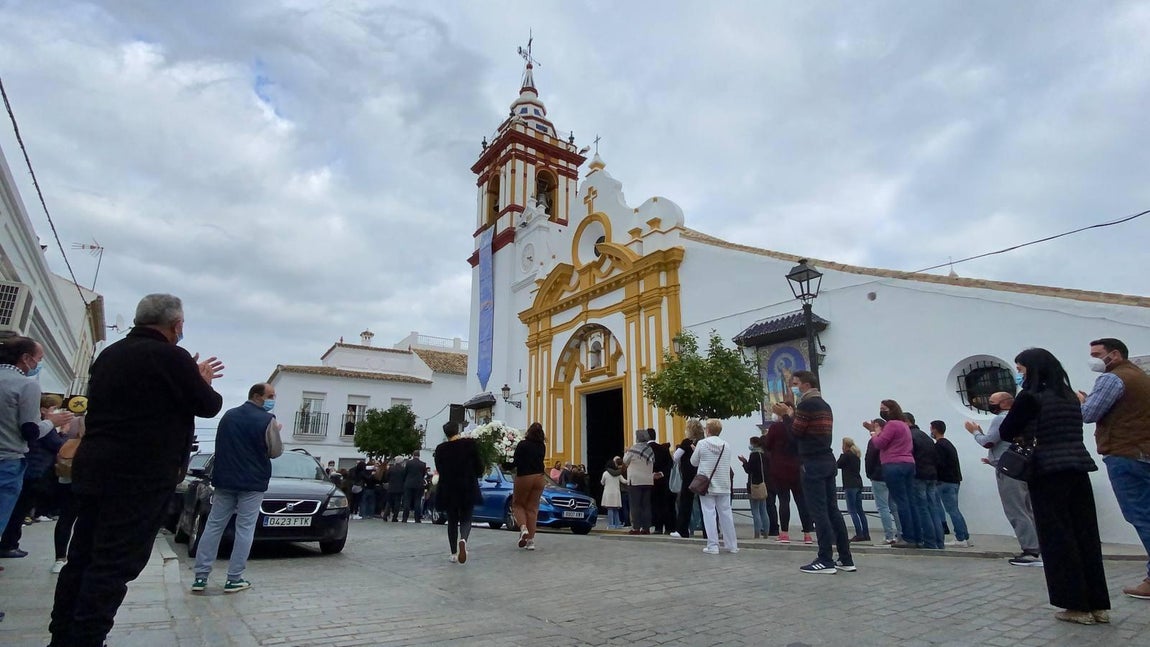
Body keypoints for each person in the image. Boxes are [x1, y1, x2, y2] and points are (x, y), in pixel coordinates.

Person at [49, 293, 224, 647]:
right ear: (176, 325)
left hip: (95, 468)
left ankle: (62, 634)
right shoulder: (172, 358)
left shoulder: (109, 354)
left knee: (82, 557)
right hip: (139, 476)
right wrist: (199, 377)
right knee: (114, 564)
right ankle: (86, 638)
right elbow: (208, 405)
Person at [1000, 347, 1109, 625]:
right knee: (1085, 535)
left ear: (1032, 370)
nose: (1020, 375)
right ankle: (1098, 605)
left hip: (1047, 470)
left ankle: (1075, 605)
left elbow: (1006, 431)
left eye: (1021, 370)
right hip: (1077, 466)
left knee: (1057, 537)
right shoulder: (1069, 396)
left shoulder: (1030, 397)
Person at [192, 383, 283, 594]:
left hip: (225, 479)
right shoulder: (268, 420)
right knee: (245, 528)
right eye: (270, 395)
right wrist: (276, 432)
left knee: (214, 525)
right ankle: (234, 578)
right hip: (252, 482)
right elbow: (275, 451)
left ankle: (200, 576)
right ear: (257, 396)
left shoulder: (229, 416)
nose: (273, 399)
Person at [1077, 337, 1150, 600]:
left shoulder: (1112, 378)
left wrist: (1081, 400)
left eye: (1097, 354)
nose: (1093, 359)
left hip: (1125, 453)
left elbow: (1089, 414)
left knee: (1141, 516)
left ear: (1115, 354)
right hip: (1143, 451)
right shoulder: (1139, 375)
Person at [965, 392, 1042, 566]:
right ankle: (1036, 545)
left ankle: (1031, 550)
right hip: (1021, 467)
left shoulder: (1001, 419)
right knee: (1027, 509)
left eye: (992, 402)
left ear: (1005, 404)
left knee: (1016, 510)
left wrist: (975, 432)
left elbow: (988, 442)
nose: (989, 405)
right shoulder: (1021, 417)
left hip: (1009, 470)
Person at [788, 371, 853, 573]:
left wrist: (786, 416)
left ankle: (825, 559)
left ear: (806, 385)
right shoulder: (825, 405)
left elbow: (795, 433)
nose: (794, 388)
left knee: (819, 512)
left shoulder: (806, 405)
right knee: (833, 510)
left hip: (812, 462)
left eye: (796, 384)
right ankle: (846, 558)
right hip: (827, 459)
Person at [0, 394, 67, 558]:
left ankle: (9, 543)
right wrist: (63, 432)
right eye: (54, 409)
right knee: (18, 510)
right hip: (33, 470)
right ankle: (8, 544)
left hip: (31, 468)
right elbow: (58, 445)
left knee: (18, 508)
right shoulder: (41, 426)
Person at [867, 399, 919, 549]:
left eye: (883, 409)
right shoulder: (903, 425)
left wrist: (874, 433)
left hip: (894, 464)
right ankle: (916, 536)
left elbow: (879, 443)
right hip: (908, 463)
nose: (881, 411)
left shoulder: (892, 424)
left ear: (891, 410)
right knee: (910, 501)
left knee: (900, 501)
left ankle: (907, 537)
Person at [434, 422, 484, 564]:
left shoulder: (440, 449)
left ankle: (453, 553)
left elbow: (439, 468)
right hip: (467, 486)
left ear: (445, 433)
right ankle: (463, 540)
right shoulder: (469, 444)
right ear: (458, 430)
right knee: (467, 516)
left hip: (449, 489)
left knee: (452, 520)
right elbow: (479, 466)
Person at [765, 401, 813, 544]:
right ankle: (807, 534)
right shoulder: (798, 427)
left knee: (783, 500)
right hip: (797, 468)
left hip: (780, 468)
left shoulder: (775, 428)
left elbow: (767, 445)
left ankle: (784, 533)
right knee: (801, 501)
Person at [690, 419, 738, 555]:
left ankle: (713, 545)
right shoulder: (726, 445)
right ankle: (732, 545)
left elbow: (693, 462)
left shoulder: (702, 443)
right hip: (724, 484)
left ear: (708, 430)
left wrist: (695, 451)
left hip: (707, 484)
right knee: (726, 514)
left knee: (709, 513)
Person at [907, 412, 944, 550]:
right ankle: (939, 542)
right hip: (931, 475)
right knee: (933, 508)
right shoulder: (925, 436)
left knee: (922, 509)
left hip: (918, 475)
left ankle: (929, 541)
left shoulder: (909, 436)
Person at [931, 420, 970, 547]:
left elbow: (939, 464)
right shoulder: (949, 444)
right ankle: (964, 536)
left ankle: (960, 538)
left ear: (935, 429)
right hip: (954, 481)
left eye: (931, 429)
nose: (931, 431)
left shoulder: (939, 446)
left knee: (952, 510)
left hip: (945, 482)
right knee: (955, 509)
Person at [511, 422, 546, 550]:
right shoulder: (542, 446)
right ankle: (530, 541)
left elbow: (516, 462)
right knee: (532, 508)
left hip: (525, 476)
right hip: (540, 478)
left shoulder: (523, 445)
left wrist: (505, 464)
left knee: (518, 504)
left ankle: (523, 528)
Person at [864, 425, 899, 545]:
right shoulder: (890, 440)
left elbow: (869, 458)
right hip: (891, 474)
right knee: (894, 507)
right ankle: (900, 533)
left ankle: (889, 536)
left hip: (878, 476)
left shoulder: (875, 441)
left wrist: (870, 474)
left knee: (883, 507)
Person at [671, 419, 703, 538]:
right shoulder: (702, 441)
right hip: (701, 475)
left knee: (685, 503)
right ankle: (707, 530)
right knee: (703, 504)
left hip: (688, 476)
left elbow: (675, 457)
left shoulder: (686, 442)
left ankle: (682, 530)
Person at [837, 437, 870, 543]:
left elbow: (837, 465)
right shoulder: (856, 456)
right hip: (858, 484)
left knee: (852, 510)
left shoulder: (846, 456)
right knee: (860, 511)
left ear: (845, 445)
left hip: (850, 485)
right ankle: (866, 534)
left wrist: (842, 454)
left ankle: (859, 534)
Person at [623, 429, 654, 535]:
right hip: (648, 481)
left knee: (635, 505)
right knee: (646, 505)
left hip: (635, 481)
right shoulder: (650, 449)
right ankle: (646, 528)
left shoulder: (633, 449)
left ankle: (636, 527)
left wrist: (626, 451)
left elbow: (625, 461)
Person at [739, 436, 770, 539]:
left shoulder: (754, 455)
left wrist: (744, 462)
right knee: (763, 510)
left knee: (755, 510)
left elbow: (749, 470)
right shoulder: (764, 454)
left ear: (754, 444)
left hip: (754, 485)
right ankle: (766, 532)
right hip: (763, 484)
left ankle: (757, 532)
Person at [648, 429, 674, 535]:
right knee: (666, 504)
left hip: (652, 481)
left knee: (655, 505)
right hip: (664, 481)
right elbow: (670, 464)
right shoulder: (663, 448)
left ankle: (658, 527)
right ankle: (669, 527)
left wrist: (652, 474)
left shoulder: (645, 450)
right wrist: (662, 473)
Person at [600, 458, 626, 529]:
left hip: (608, 493)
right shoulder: (618, 473)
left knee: (610, 509)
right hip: (616, 493)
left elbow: (602, 482)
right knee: (616, 509)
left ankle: (611, 524)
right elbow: (624, 481)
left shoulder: (605, 473)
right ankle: (617, 524)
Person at [402, 452, 427, 523]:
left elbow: (405, 473)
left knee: (407, 501)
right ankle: (417, 519)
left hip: (409, 484)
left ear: (413, 455)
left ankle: (405, 518)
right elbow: (423, 474)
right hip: (419, 484)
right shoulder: (423, 464)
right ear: (419, 455)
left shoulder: (409, 463)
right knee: (417, 501)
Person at [387, 455, 407, 521]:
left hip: (391, 487)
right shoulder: (403, 469)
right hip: (399, 488)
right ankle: (394, 517)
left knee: (389, 502)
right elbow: (404, 478)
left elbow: (387, 476)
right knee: (397, 503)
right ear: (401, 461)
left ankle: (385, 515)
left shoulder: (391, 468)